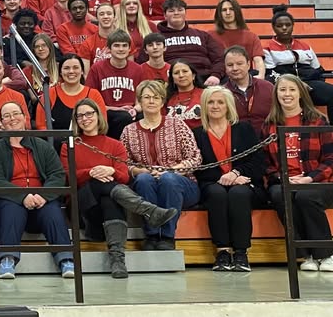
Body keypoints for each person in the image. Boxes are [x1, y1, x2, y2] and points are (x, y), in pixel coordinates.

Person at [62, 99, 177, 279]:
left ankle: (117, 260)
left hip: (108, 212)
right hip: (83, 209)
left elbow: (124, 177)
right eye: (80, 115)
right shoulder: (69, 145)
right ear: (75, 120)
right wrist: (91, 172)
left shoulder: (115, 145)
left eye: (89, 113)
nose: (85, 118)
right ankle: (148, 210)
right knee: (100, 183)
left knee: (109, 198)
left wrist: (111, 170)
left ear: (98, 116)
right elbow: (68, 176)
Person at [0, 101, 75, 280]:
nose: (12, 119)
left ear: (25, 117)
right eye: (7, 116)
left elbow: (57, 175)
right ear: (1, 122)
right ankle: (7, 260)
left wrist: (43, 195)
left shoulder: (42, 146)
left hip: (40, 202)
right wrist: (22, 196)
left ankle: (66, 260)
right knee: (11, 208)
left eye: (16, 114)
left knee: (52, 209)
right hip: (8, 206)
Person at [262, 74, 333, 272]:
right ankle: (305, 255)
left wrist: (310, 177)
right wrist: (281, 178)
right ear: (276, 94)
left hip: (318, 180)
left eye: (292, 89)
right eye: (282, 89)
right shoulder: (269, 125)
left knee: (305, 196)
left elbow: (330, 159)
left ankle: (325, 254)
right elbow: (266, 163)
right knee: (279, 195)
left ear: (300, 93)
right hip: (285, 181)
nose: (287, 94)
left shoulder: (318, 121)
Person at [192, 86, 267, 273]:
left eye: (220, 102)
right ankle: (222, 252)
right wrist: (222, 178)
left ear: (228, 106)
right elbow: (197, 168)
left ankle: (241, 253)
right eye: (211, 102)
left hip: (245, 182)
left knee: (238, 193)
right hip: (212, 184)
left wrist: (237, 174)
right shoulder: (197, 133)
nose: (215, 106)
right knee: (217, 194)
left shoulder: (244, 129)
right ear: (204, 105)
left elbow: (258, 162)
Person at [121, 79, 201, 250]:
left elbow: (195, 157)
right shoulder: (129, 130)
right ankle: (151, 235)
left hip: (181, 184)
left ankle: (167, 236)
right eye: (147, 97)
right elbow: (123, 163)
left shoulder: (177, 124)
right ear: (140, 101)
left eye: (156, 98)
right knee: (143, 180)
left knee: (168, 180)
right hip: (146, 184)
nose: (151, 101)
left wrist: (170, 171)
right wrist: (140, 170)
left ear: (162, 101)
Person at [264, 5, 333, 116]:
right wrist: (298, 84)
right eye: (280, 26)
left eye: (288, 25)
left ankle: (329, 131)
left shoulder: (305, 46)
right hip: (284, 85)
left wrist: (316, 84)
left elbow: (317, 70)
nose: (284, 28)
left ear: (293, 26)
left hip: (309, 85)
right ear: (273, 28)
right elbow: (270, 74)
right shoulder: (267, 48)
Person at [86, 30, 143, 137]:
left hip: (131, 111)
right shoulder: (97, 68)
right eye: (116, 45)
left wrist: (134, 109)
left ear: (129, 49)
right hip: (106, 112)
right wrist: (116, 109)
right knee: (124, 117)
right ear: (108, 49)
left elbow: (141, 101)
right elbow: (91, 101)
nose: (121, 49)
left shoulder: (138, 69)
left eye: (124, 45)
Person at [157, 0, 225, 86]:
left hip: (205, 80)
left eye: (180, 10)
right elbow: (145, 62)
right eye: (171, 11)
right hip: (172, 82)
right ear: (165, 15)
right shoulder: (156, 39)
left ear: (185, 13)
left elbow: (220, 58)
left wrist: (215, 75)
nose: (176, 13)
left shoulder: (202, 35)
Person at [35, 54, 107, 132]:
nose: (71, 71)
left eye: (75, 67)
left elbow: (102, 124)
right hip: (54, 142)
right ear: (60, 72)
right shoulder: (49, 94)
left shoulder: (94, 94)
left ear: (82, 71)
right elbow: (41, 126)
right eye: (66, 68)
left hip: (87, 142)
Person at [209, 0, 266, 77]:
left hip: (245, 78)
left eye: (231, 9)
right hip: (220, 79)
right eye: (224, 10)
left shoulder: (251, 36)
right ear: (219, 13)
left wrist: (260, 76)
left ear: (237, 11)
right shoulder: (210, 36)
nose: (228, 12)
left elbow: (258, 60)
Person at [223, 46, 273, 134]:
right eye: (230, 65)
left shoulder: (267, 87)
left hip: (267, 140)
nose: (235, 68)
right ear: (225, 68)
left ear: (248, 64)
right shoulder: (221, 93)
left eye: (239, 64)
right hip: (235, 142)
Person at [165, 59, 205, 130]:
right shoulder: (166, 98)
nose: (181, 75)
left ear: (193, 75)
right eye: (176, 73)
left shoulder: (206, 94)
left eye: (185, 71)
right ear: (172, 78)